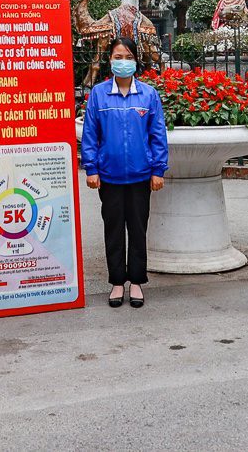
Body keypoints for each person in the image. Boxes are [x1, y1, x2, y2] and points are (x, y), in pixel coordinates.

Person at [79, 38, 168, 309]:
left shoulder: (149, 95)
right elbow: (90, 135)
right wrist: (91, 168)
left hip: (142, 176)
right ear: (110, 60)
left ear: (135, 60)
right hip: (110, 176)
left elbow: (157, 135)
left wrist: (158, 170)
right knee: (114, 229)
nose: (123, 61)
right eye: (118, 56)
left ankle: (137, 282)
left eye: (128, 56)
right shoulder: (99, 94)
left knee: (138, 230)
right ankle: (118, 282)